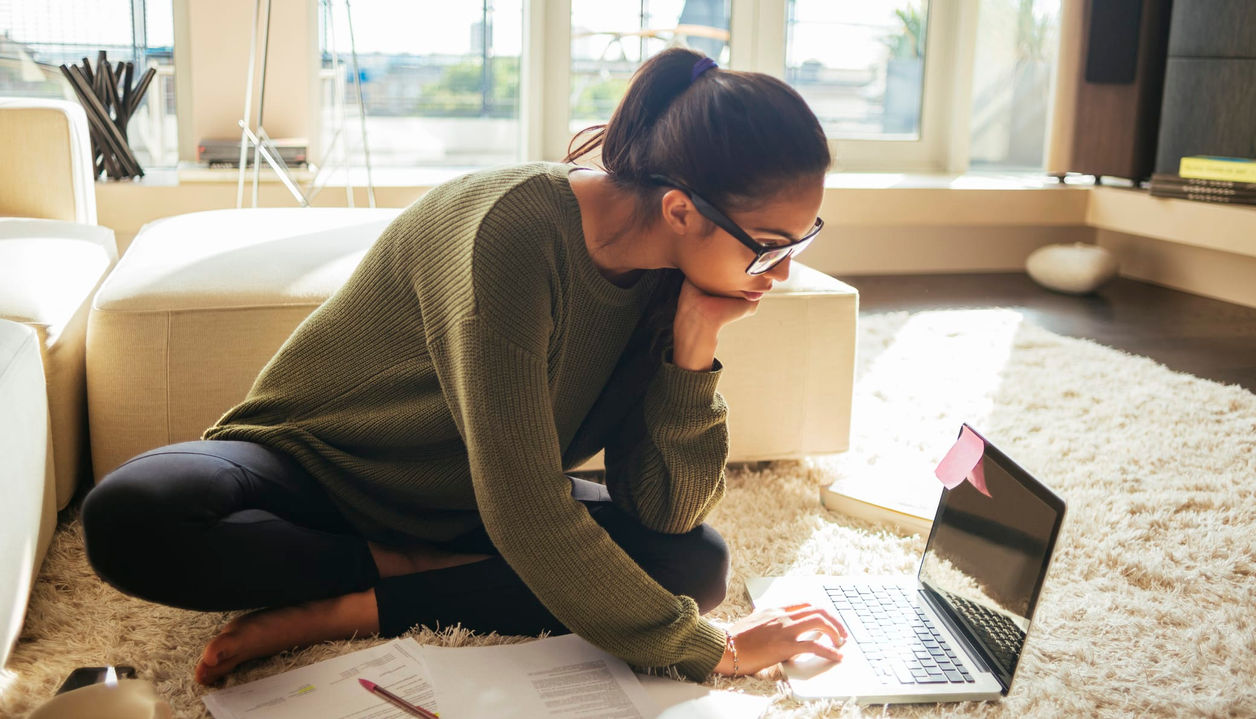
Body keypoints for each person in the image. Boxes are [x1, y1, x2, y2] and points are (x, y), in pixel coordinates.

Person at [81, 47, 847, 687]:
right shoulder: (513, 233)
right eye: (769, 245)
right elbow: (527, 512)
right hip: (319, 468)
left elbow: (663, 511)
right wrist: (717, 649)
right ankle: (406, 571)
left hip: (473, 501)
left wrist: (692, 350)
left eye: (800, 241)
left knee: (695, 560)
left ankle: (358, 603)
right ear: (681, 209)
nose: (779, 275)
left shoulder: (677, 284)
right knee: (131, 515)